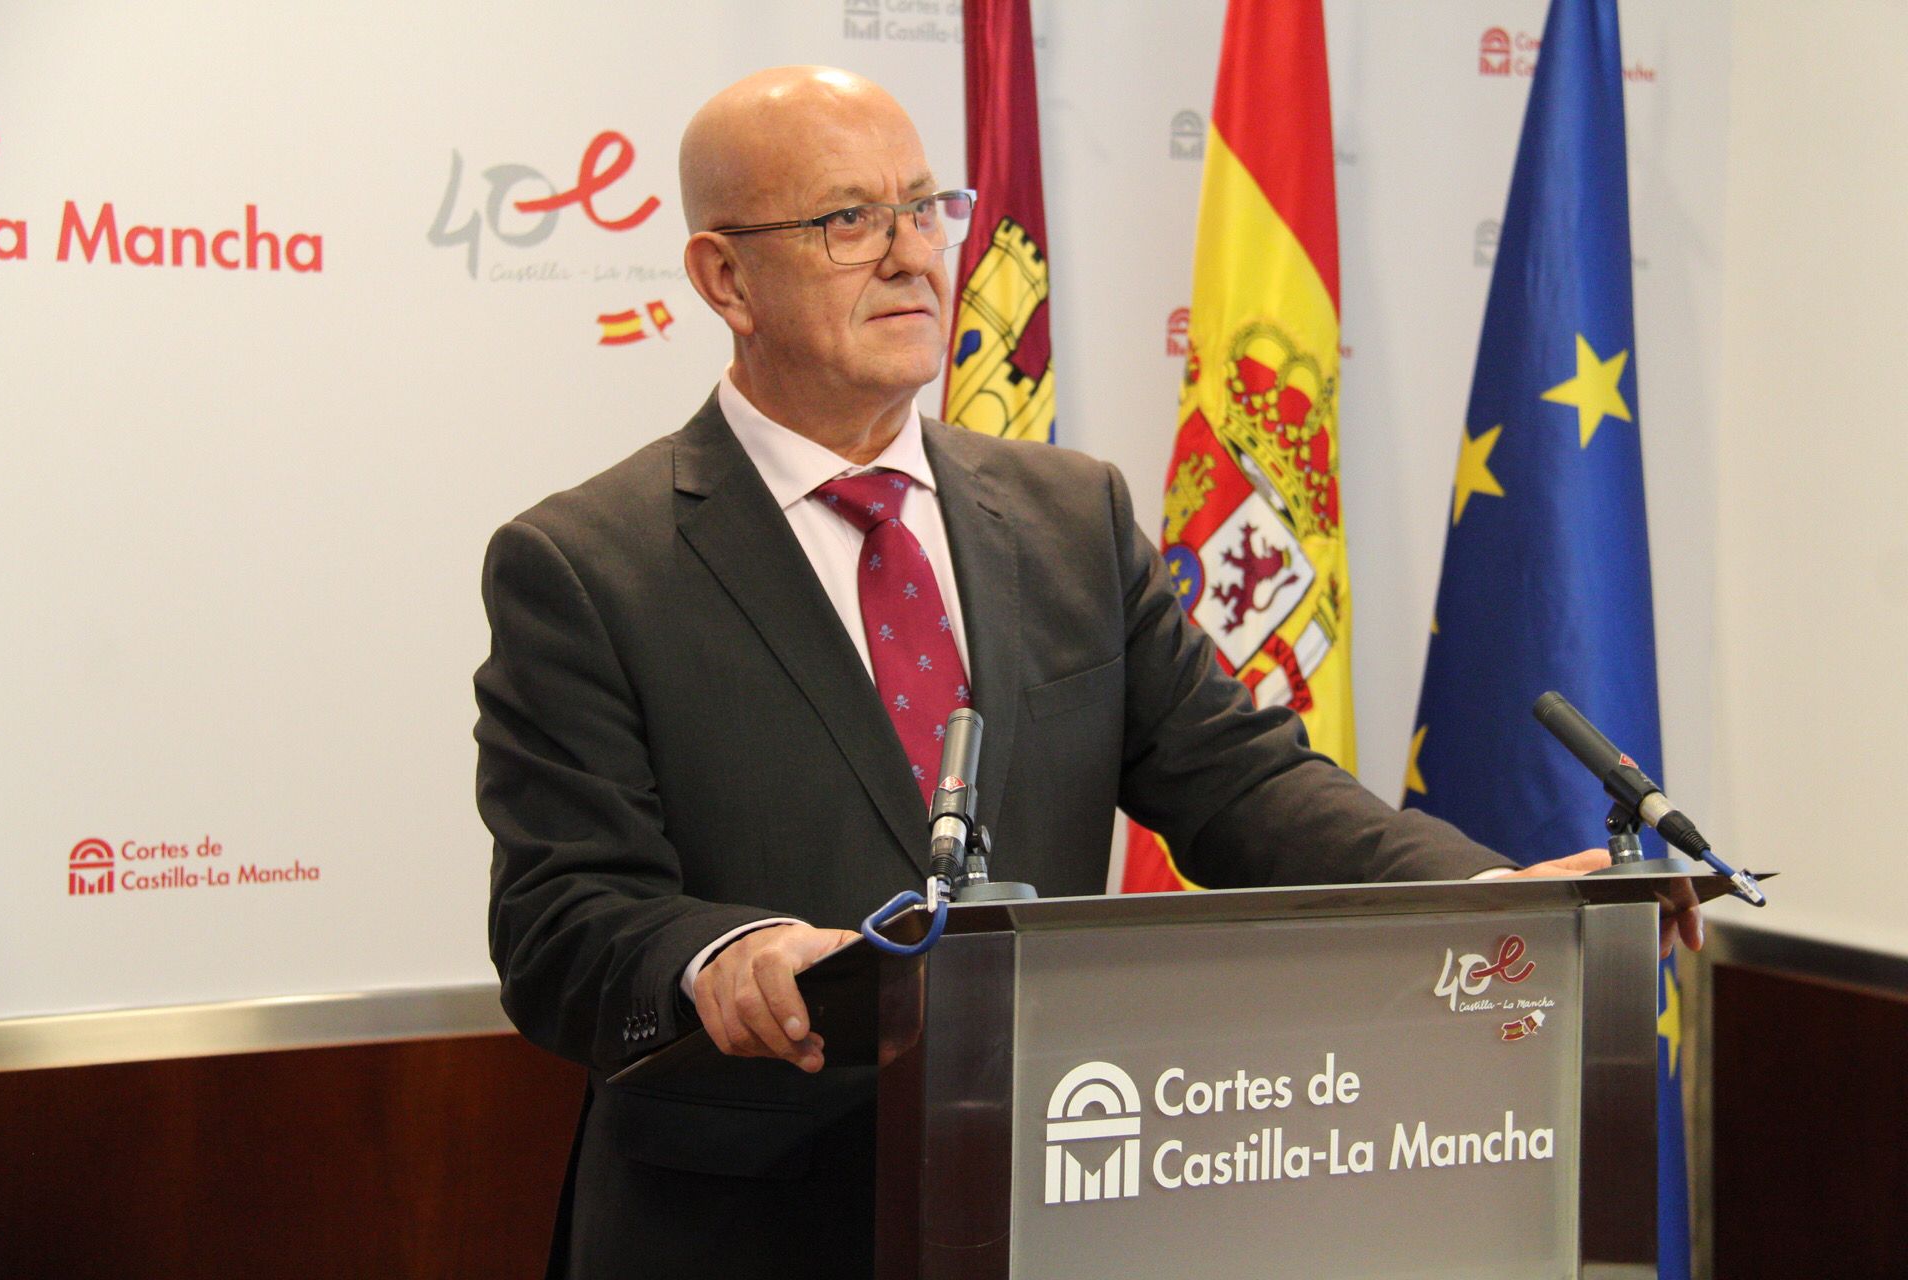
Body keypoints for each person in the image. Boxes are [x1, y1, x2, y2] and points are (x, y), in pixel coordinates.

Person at [473, 65, 1702, 1279]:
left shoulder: (1068, 515)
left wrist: (1486, 893)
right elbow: (558, 918)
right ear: (724, 278)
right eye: (849, 219)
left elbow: (1241, 784)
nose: (912, 257)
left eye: (925, 208)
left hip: (1048, 1194)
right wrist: (721, 954)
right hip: (741, 1229)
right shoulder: (586, 564)